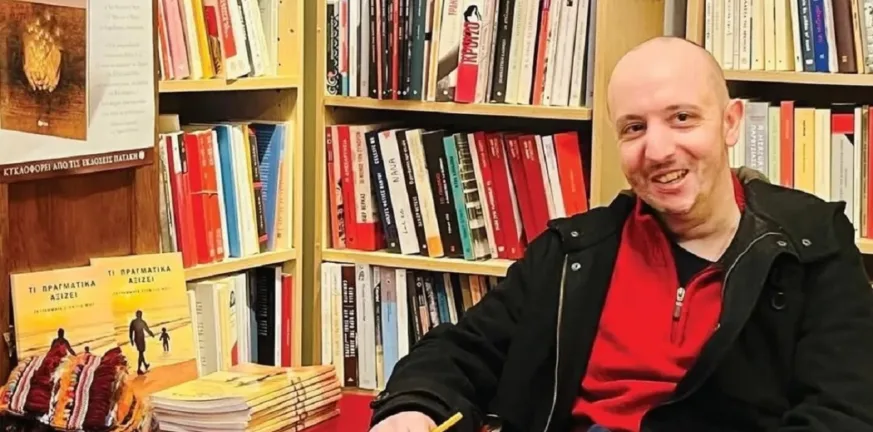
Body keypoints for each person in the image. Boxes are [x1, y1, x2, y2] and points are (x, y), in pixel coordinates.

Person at [368, 36, 873, 432]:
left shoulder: (813, 246)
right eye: (634, 128)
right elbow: (463, 349)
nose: (658, 150)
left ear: (730, 123)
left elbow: (842, 413)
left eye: (682, 118)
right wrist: (413, 408)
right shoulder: (572, 253)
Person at [129, 310, 155, 374]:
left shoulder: (135, 322)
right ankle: (139, 369)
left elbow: (131, 331)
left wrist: (151, 334)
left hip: (138, 339)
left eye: (140, 314)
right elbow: (131, 331)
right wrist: (131, 339)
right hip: (139, 339)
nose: (140, 315)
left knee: (141, 353)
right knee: (141, 353)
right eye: (139, 314)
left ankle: (145, 365)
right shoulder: (140, 322)